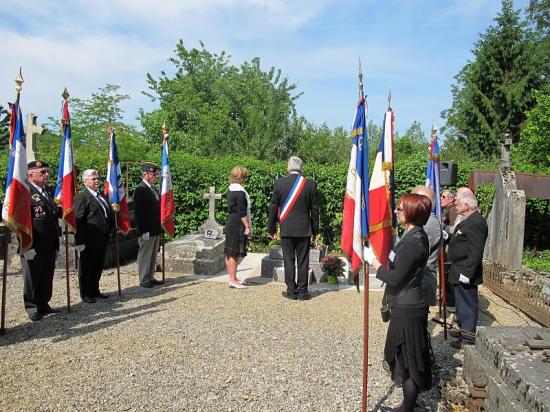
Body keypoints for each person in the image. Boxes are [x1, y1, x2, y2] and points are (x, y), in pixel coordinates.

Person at [364, 193, 433, 412]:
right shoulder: (411, 236)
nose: (396, 212)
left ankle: (407, 408)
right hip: (404, 306)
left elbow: (394, 277)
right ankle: (408, 404)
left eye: (400, 209)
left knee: (408, 359)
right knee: (405, 358)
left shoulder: (415, 241)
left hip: (408, 309)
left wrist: (373, 261)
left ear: (412, 212)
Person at [268, 156, 319, 301]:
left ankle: (291, 291)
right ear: (301, 168)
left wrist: (271, 229)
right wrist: (315, 231)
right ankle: (303, 292)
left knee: (288, 260)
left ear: (288, 168)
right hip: (304, 229)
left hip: (287, 229)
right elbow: (315, 211)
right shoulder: (310, 184)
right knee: (303, 260)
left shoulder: (279, 183)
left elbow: (273, 208)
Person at [447, 191, 488, 349]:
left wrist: (467, 273)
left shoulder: (477, 222)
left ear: (467, 205)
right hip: (459, 269)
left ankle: (468, 339)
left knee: (467, 305)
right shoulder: (468, 220)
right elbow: (460, 239)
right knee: (460, 304)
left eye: (457, 203)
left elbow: (475, 252)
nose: (455, 205)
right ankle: (463, 330)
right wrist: (448, 237)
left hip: (465, 272)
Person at [21, 160, 61, 321]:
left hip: (49, 242)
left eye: (47, 172)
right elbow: (22, 221)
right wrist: (25, 246)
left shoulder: (48, 191)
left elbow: (52, 216)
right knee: (32, 277)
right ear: (31, 175)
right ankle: (32, 307)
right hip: (33, 244)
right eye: (42, 173)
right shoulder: (25, 193)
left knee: (46, 275)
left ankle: (43, 303)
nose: (46, 175)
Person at [74, 169, 115, 303]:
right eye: (93, 179)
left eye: (97, 178)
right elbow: (78, 219)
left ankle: (95, 289)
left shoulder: (100, 194)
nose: (97, 181)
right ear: (86, 182)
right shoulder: (83, 196)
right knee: (87, 267)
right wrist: (79, 241)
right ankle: (85, 293)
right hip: (89, 239)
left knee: (97, 265)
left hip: (101, 238)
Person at [412, 186, 442, 307]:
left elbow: (415, 254)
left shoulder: (428, 223)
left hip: (421, 281)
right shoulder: (422, 220)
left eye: (413, 198)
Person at [133, 163, 162, 288]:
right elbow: (139, 213)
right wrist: (143, 230)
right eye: (153, 174)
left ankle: (150, 276)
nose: (156, 176)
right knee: (145, 254)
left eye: (156, 174)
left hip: (155, 228)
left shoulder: (152, 188)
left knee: (153, 254)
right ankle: (144, 279)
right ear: (145, 174)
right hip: (147, 229)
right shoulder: (141, 189)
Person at [224, 166, 252, 289]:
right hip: (237, 222)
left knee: (231, 250)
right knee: (233, 251)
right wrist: (247, 226)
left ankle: (234, 277)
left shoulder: (230, 189)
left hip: (231, 220)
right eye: (245, 176)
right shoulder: (240, 192)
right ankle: (232, 280)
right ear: (242, 177)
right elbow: (242, 212)